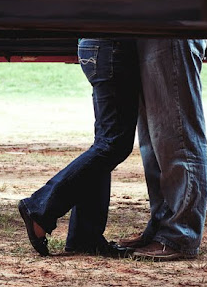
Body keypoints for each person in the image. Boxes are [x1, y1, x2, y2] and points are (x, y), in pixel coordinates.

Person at [18, 38, 139, 257]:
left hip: (99, 45)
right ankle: (40, 209)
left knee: (106, 143)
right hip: (114, 44)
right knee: (114, 144)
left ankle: (85, 236)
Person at [122, 39, 207, 261]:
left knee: (177, 131)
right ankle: (163, 226)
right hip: (154, 26)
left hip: (172, 27)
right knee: (156, 136)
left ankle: (181, 233)